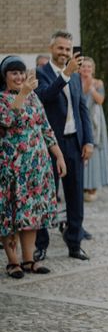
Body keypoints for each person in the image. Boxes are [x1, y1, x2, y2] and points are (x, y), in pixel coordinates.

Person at [1, 56, 67, 278]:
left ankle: (29, 260)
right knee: (11, 214)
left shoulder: (34, 99)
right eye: (14, 73)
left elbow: (46, 129)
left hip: (36, 166)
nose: (19, 77)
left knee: (30, 214)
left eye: (21, 72)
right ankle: (13, 262)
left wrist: (58, 156)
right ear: (5, 77)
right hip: (11, 168)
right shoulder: (2, 99)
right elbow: (9, 119)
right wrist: (22, 93)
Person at [34, 30, 93, 262]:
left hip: (74, 143)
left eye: (68, 49)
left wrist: (88, 139)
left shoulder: (77, 76)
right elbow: (44, 97)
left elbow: (82, 109)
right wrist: (65, 76)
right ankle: (41, 245)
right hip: (50, 145)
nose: (64, 53)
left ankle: (75, 243)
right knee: (47, 196)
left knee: (75, 196)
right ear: (52, 49)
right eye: (61, 48)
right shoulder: (41, 73)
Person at [80, 57, 108, 202]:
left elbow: (101, 100)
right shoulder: (76, 82)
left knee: (95, 153)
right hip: (81, 120)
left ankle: (92, 186)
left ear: (92, 69)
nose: (86, 69)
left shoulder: (98, 83)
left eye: (89, 67)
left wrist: (92, 89)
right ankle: (82, 186)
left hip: (96, 121)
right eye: (83, 67)